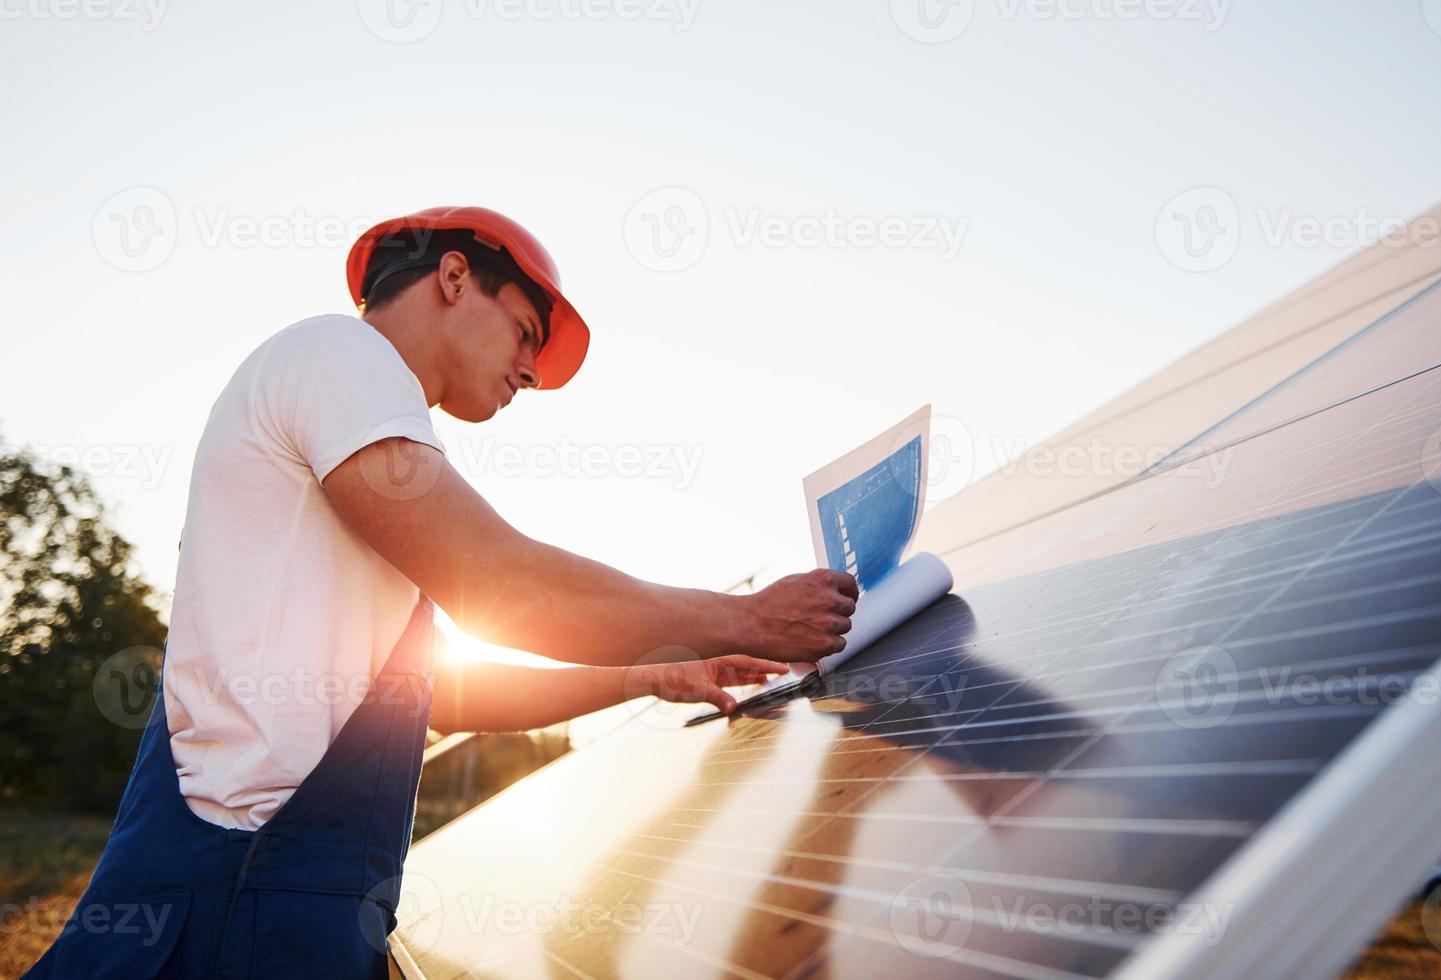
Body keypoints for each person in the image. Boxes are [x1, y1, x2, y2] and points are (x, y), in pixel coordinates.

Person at [26, 205, 858, 978]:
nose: (531, 372)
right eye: (526, 334)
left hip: (273, 901)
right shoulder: (339, 356)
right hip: (233, 895)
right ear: (454, 277)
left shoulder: (366, 445)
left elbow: (442, 696)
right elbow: (499, 584)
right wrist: (744, 617)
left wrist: (649, 676)